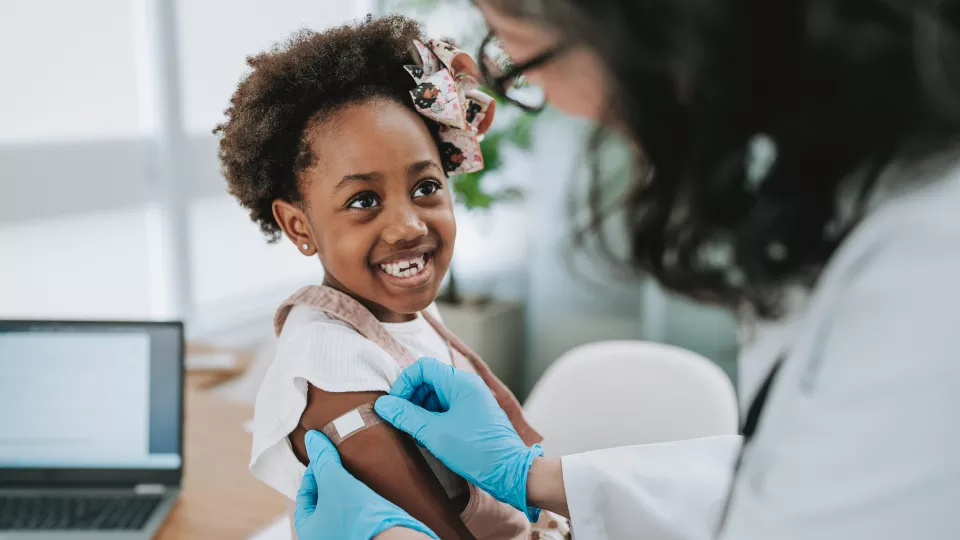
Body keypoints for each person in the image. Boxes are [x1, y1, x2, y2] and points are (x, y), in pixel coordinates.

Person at [293, 0, 960, 538]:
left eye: (525, 59)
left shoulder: (923, 282)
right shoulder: (849, 207)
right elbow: (772, 479)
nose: (561, 104)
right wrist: (533, 476)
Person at [214, 15, 569, 539]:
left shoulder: (404, 305)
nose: (407, 225)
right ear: (297, 224)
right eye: (363, 200)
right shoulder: (329, 360)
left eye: (426, 187)